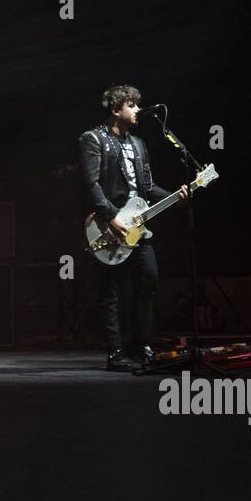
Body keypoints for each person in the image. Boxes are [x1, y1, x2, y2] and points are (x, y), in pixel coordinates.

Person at [78, 85, 188, 372]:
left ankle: (141, 346)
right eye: (132, 105)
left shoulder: (139, 144)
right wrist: (112, 217)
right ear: (116, 110)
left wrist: (175, 197)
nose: (138, 109)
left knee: (149, 282)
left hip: (139, 228)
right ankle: (115, 353)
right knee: (111, 291)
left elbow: (147, 187)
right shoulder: (93, 139)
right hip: (108, 225)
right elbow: (91, 184)